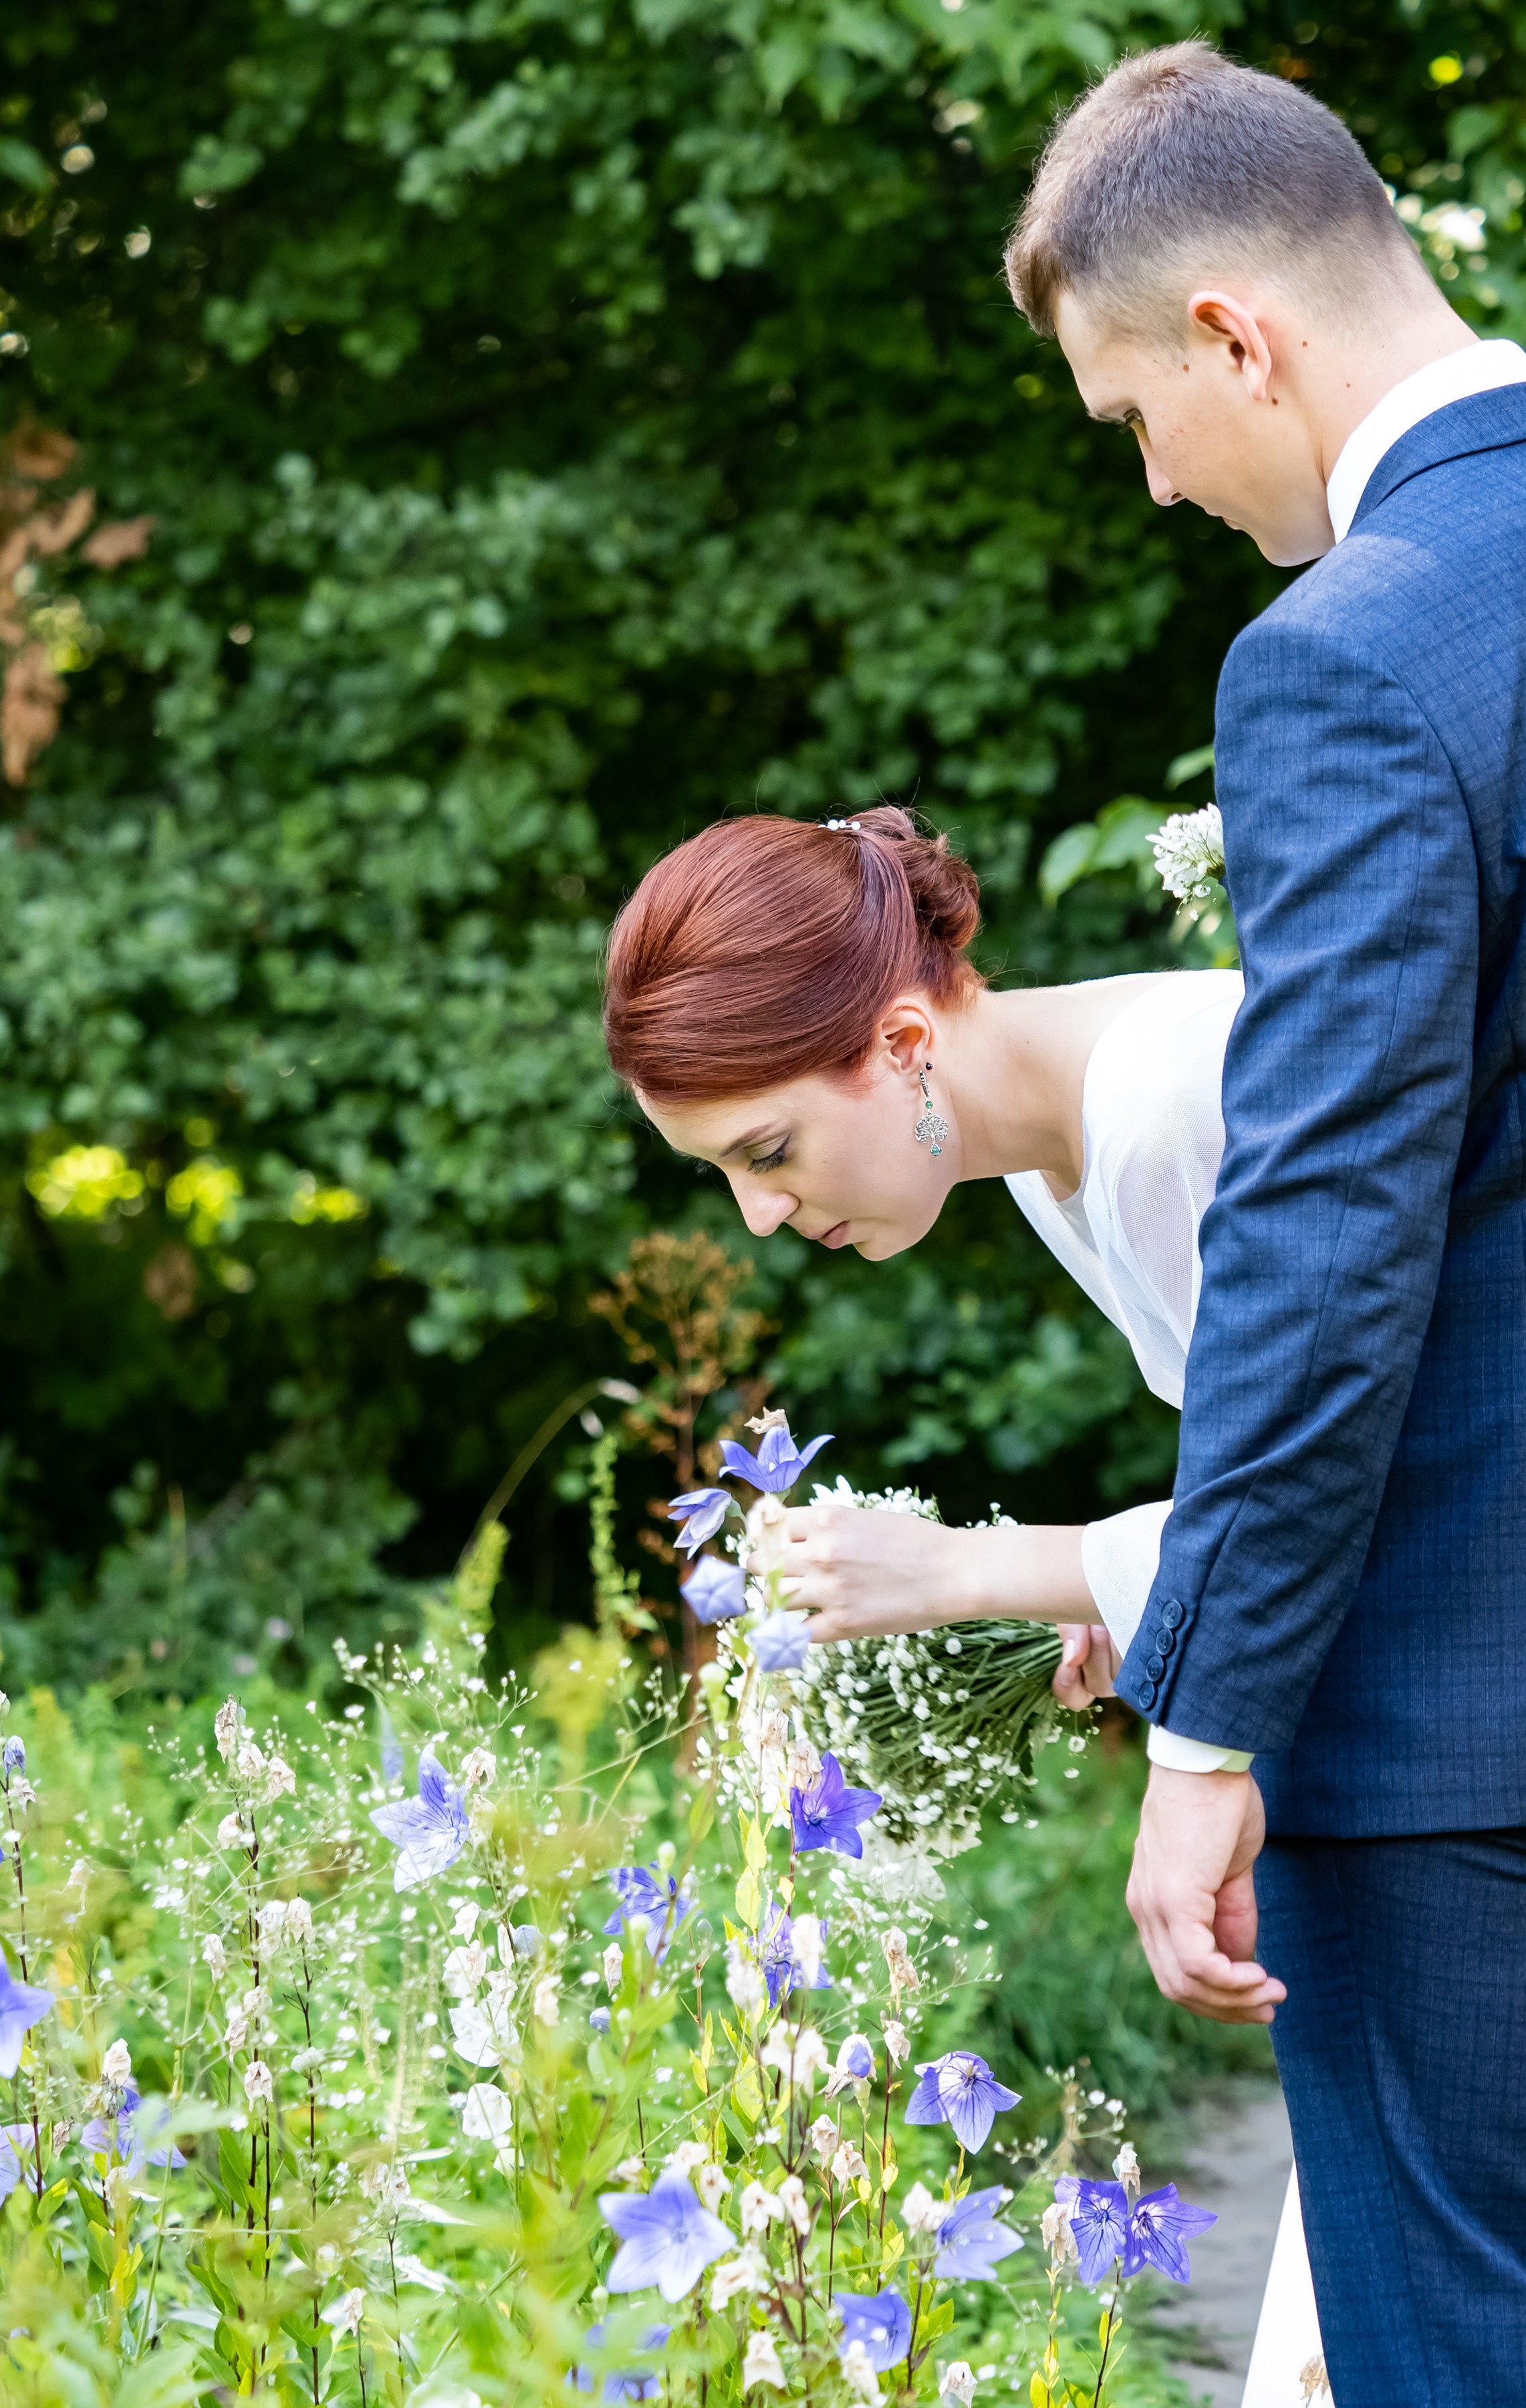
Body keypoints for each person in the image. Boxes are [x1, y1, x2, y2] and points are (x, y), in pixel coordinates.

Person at [1003, 37, 1526, 2401]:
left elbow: (1322, 1246)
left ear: (1232, 333)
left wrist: (1202, 1727)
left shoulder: (1352, 656)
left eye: (1129, 416)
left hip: (1457, 1746)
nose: (1150, 481)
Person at [603, 804, 1321, 2397]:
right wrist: (1136, 1597)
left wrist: (964, 1569)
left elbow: (1338, 1488)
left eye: (765, 1151)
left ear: (905, 1043)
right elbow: (1256, 1471)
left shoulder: (1167, 1105)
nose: (759, 1217)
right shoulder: (1063, 1155)